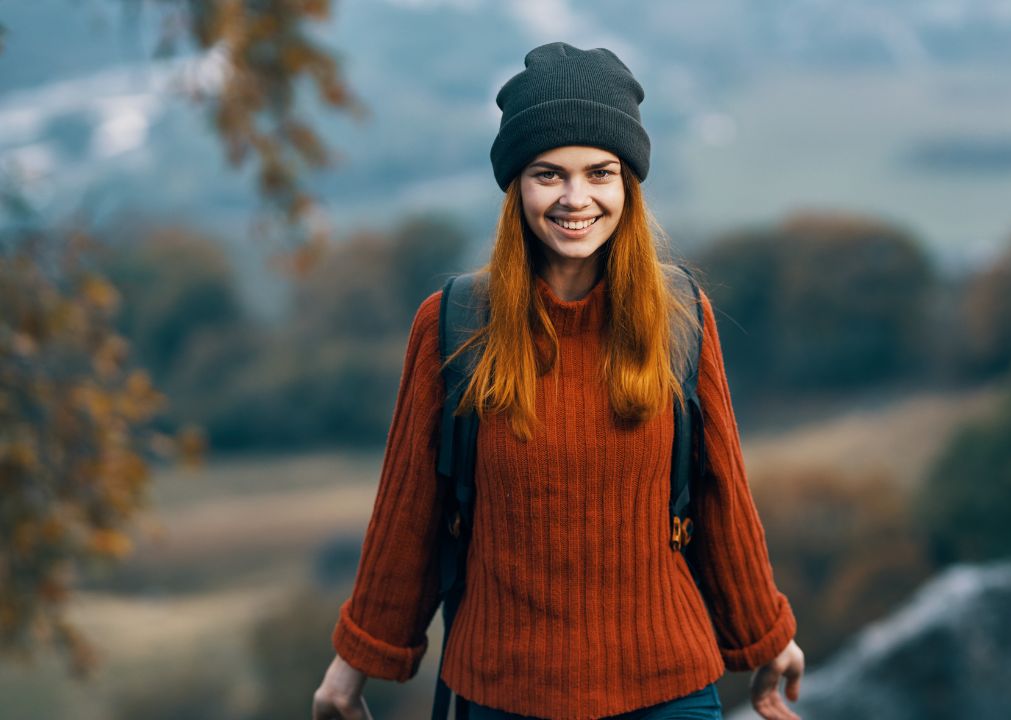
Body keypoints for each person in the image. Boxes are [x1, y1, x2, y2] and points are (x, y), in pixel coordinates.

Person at [312, 42, 804, 720]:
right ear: (517, 187)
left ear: (627, 185)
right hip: (503, 692)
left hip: (668, 691)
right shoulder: (453, 323)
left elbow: (721, 491)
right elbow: (409, 512)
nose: (577, 199)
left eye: (600, 173)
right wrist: (354, 665)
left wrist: (767, 636)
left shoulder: (681, 315)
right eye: (550, 174)